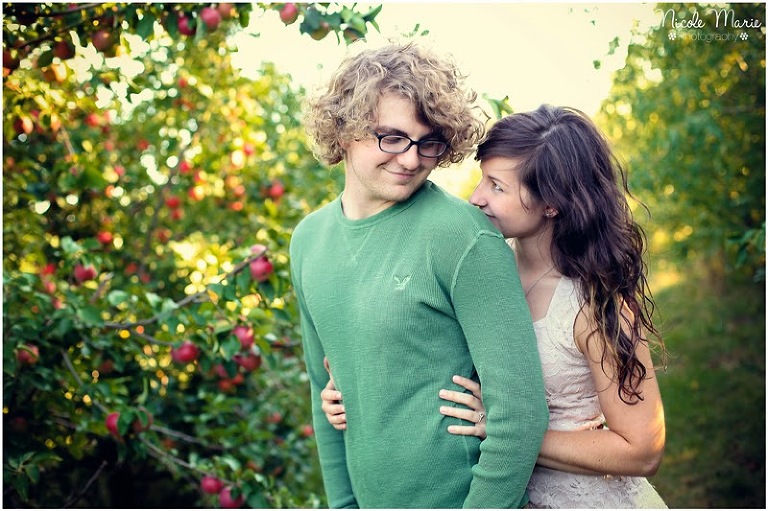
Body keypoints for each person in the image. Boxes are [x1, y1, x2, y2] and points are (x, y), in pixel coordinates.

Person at [321, 104, 668, 508]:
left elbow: (642, 449)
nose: (476, 198)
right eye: (482, 179)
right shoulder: (474, 268)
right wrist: (349, 389)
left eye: (497, 187)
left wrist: (506, 431)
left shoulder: (593, 303)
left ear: (551, 203)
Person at [289, 42, 549, 509]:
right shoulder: (308, 240)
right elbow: (323, 393)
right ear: (345, 128)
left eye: (428, 143)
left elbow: (520, 415)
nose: (411, 160)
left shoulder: (462, 236)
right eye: (391, 137)